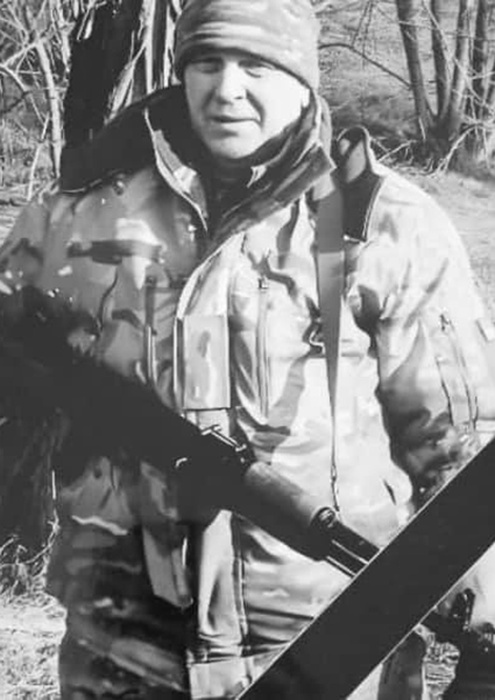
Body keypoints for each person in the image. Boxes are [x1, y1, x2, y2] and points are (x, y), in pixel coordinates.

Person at [2, 0, 495, 698]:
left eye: (255, 65)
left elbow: (459, 450)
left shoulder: (386, 223)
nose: (226, 89)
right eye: (207, 62)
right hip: (120, 644)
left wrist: (483, 639)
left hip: (329, 649)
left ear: (302, 78)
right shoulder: (80, 212)